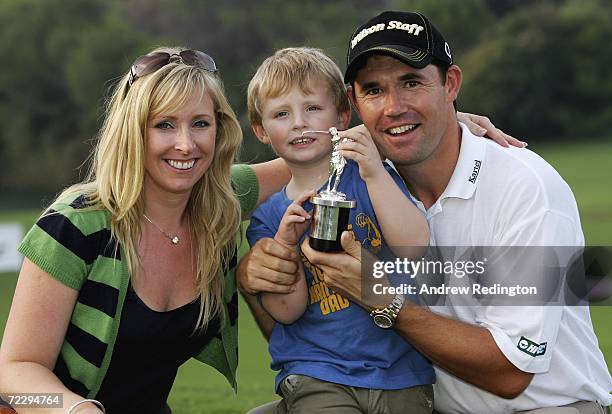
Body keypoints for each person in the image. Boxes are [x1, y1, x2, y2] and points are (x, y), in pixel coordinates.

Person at [239, 11, 612, 414]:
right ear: (354, 105)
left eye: (412, 83)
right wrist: (251, 275)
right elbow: (265, 171)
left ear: (450, 84)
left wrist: (377, 295)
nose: (394, 107)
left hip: (543, 407)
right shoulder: (369, 171)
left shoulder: (524, 186)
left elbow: (512, 373)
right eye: (374, 90)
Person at [0, 47, 289, 414]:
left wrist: (380, 122)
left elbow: (312, 159)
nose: (186, 144)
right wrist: (76, 410)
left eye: (200, 123)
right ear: (133, 132)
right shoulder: (74, 225)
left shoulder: (219, 201)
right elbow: (14, 373)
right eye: (164, 124)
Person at [245, 47, 435, 413]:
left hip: (401, 369)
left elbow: (413, 246)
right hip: (317, 371)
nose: (299, 122)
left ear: (343, 115)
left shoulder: (371, 177)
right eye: (282, 114)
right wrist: (285, 245)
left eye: (313, 108)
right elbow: (287, 311)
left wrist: (376, 172)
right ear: (261, 130)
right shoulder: (268, 218)